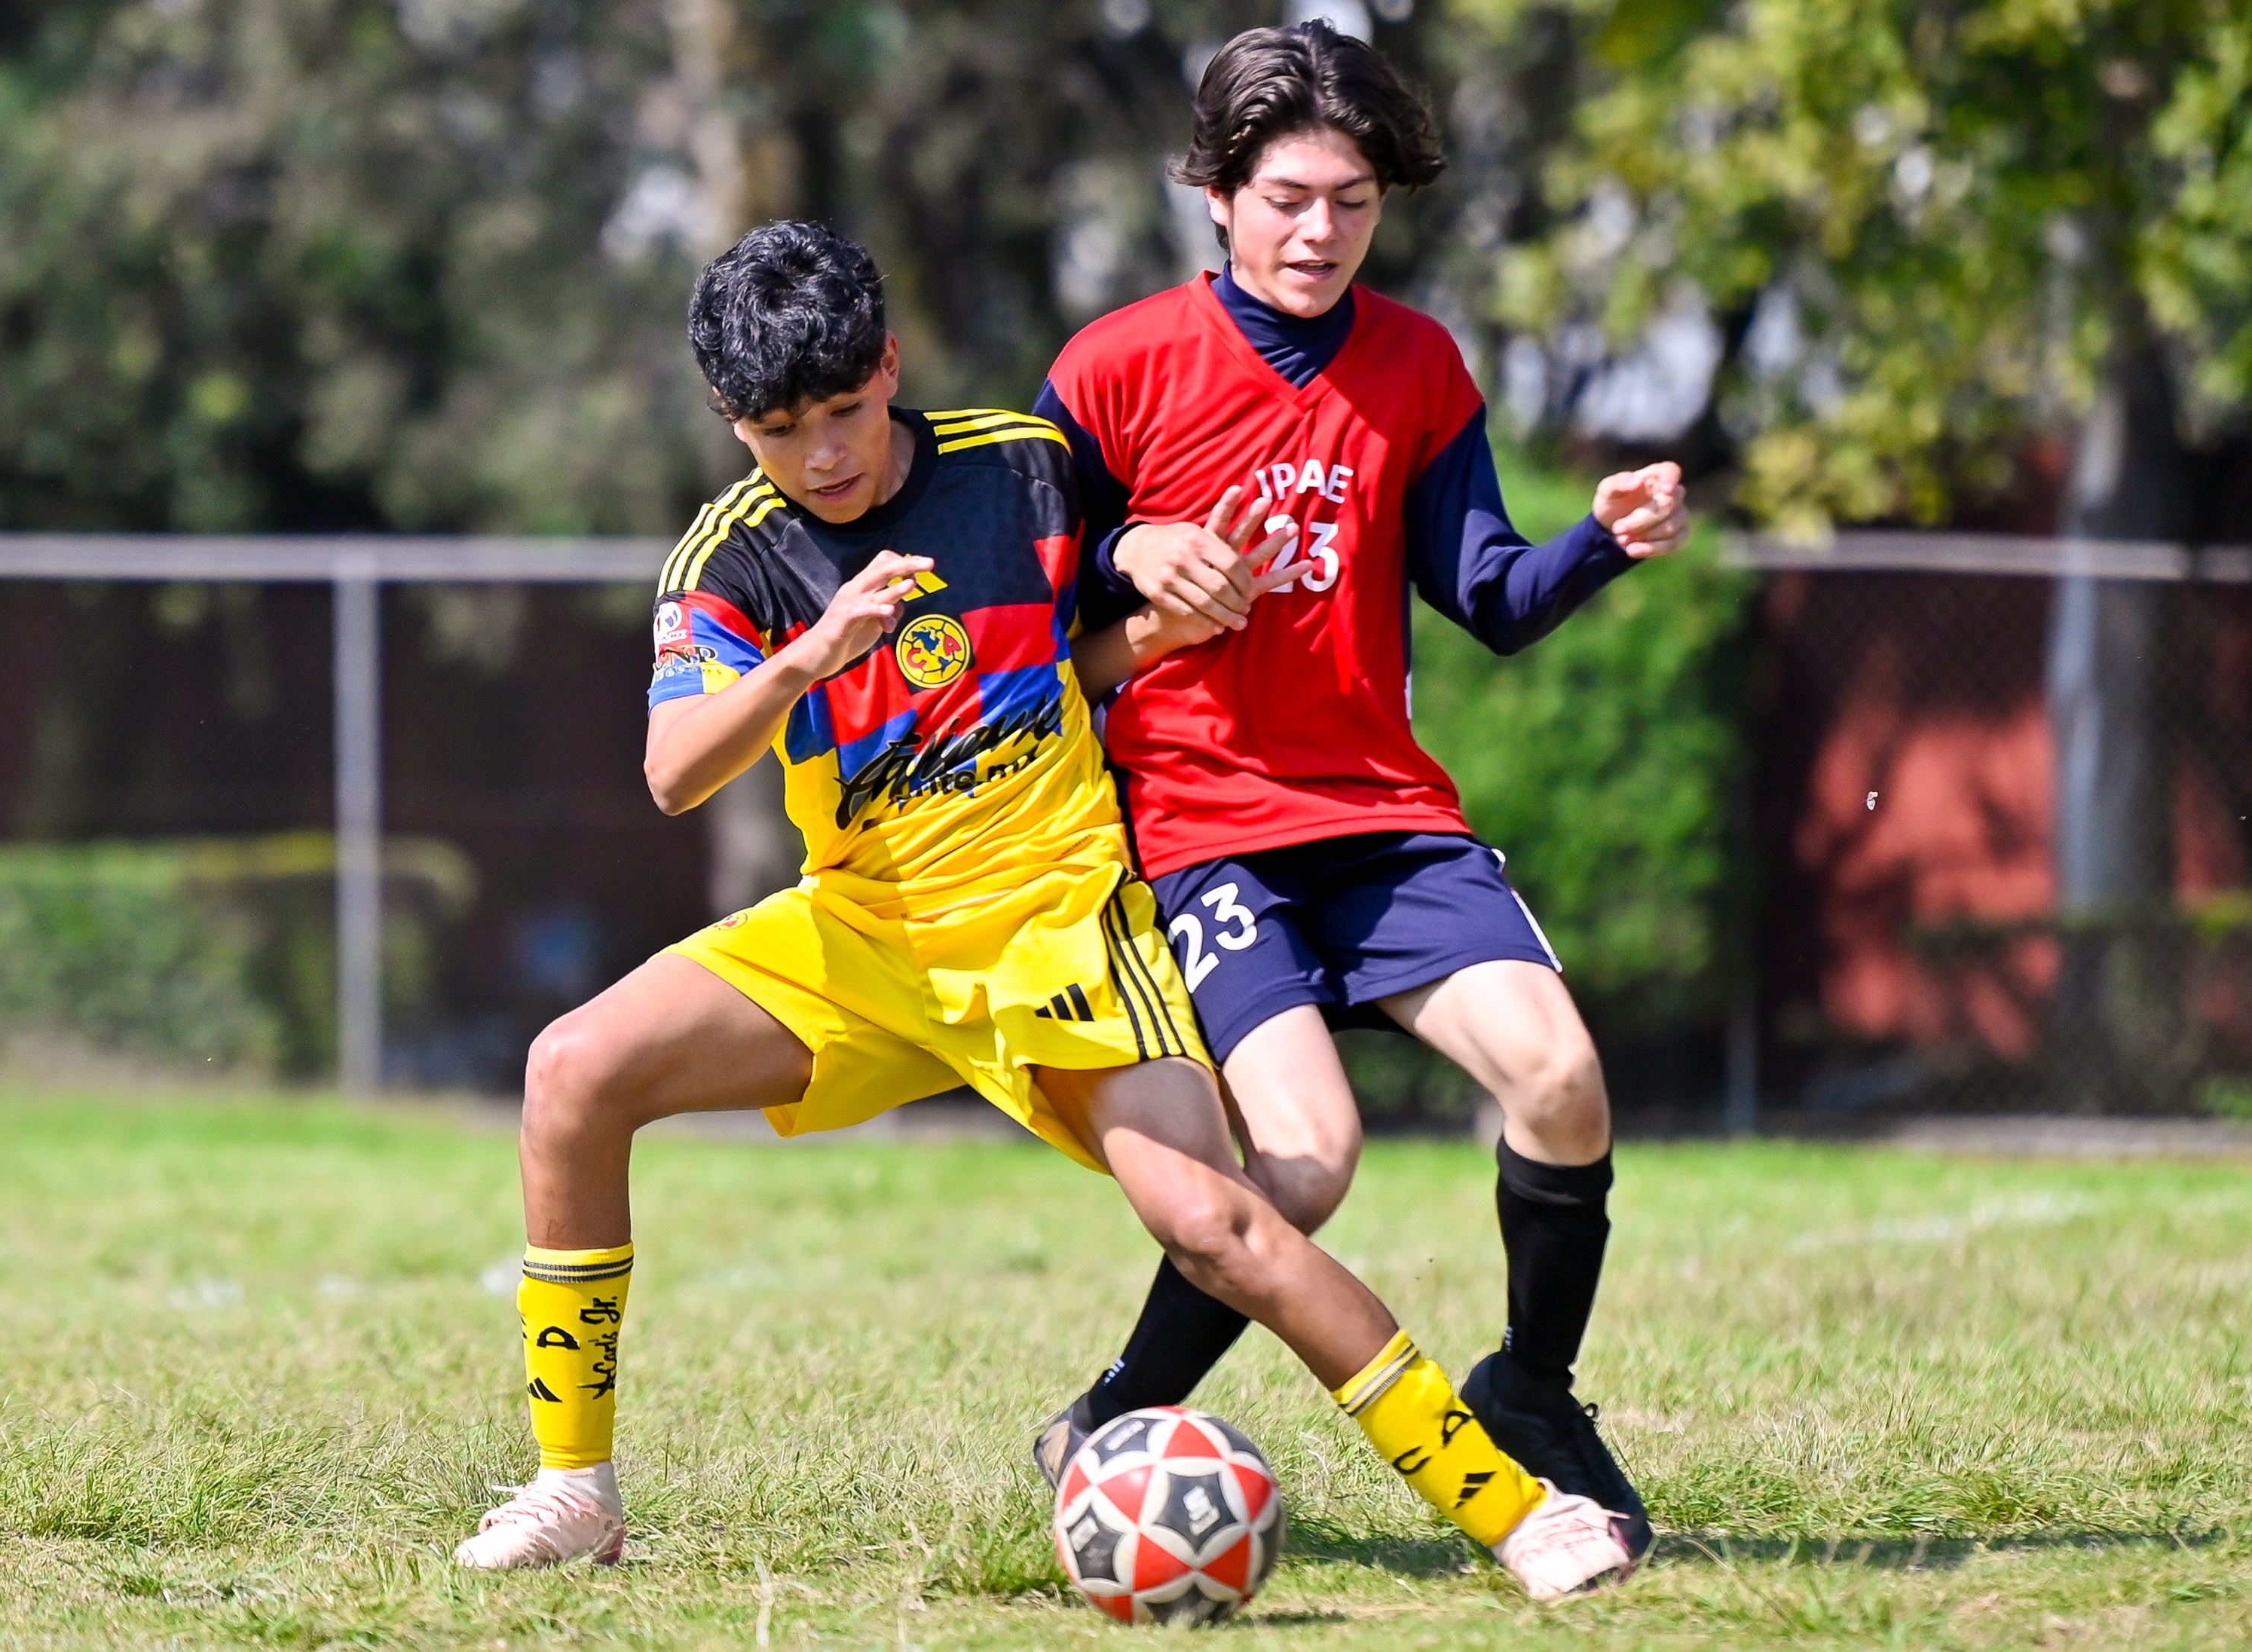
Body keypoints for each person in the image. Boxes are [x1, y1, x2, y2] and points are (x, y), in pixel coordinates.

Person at [451, 219, 1635, 1599]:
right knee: (570, 1071)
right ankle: (573, 1494)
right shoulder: (733, 560)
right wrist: (813, 658)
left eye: (844, 411)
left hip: (1064, 923)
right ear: (732, 422)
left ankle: (1512, 1508)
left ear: (890, 366)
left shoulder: (1024, 467)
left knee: (1225, 1225)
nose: (823, 454)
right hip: (867, 933)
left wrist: (1158, 607)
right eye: (779, 431)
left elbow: (1092, 629)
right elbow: (672, 771)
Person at [1029, 21, 1693, 1559]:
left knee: (1563, 1079)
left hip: (1382, 813)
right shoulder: (1111, 371)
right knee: (1310, 1165)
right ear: (1212, 193)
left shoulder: (1420, 365)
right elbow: (1025, 634)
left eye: (1351, 202)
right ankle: (1115, 1419)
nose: (1318, 231)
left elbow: (1498, 597)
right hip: (1200, 829)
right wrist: (1131, 565)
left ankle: (1530, 1388)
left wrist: (1598, 537)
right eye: (1285, 198)